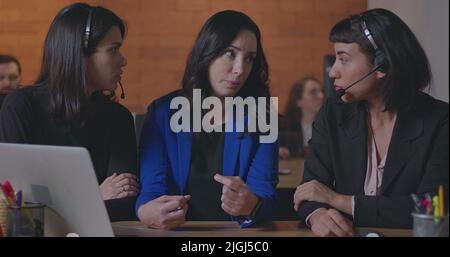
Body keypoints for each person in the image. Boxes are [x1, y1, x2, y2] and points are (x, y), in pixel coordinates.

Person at [294, 8, 448, 237]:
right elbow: (310, 191)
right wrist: (317, 216)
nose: (332, 72)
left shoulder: (439, 120)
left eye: (343, 59)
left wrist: (338, 200)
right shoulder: (333, 113)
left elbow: (430, 207)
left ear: (382, 65)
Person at [136, 10, 278, 230]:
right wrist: (146, 209)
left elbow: (265, 193)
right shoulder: (163, 112)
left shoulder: (262, 116)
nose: (240, 70)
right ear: (208, 52)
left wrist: (252, 205)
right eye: (230, 53)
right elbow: (153, 186)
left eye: (249, 59)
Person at [0, 3, 139, 221]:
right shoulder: (21, 106)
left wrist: (59, 203)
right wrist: (96, 195)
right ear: (80, 53)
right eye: (113, 49)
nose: (123, 60)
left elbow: (124, 205)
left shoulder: (118, 118)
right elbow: (20, 204)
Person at [279, 76, 324, 159]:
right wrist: (279, 151)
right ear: (298, 101)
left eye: (321, 91)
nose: (321, 96)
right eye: (313, 92)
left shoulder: (329, 126)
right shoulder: (285, 127)